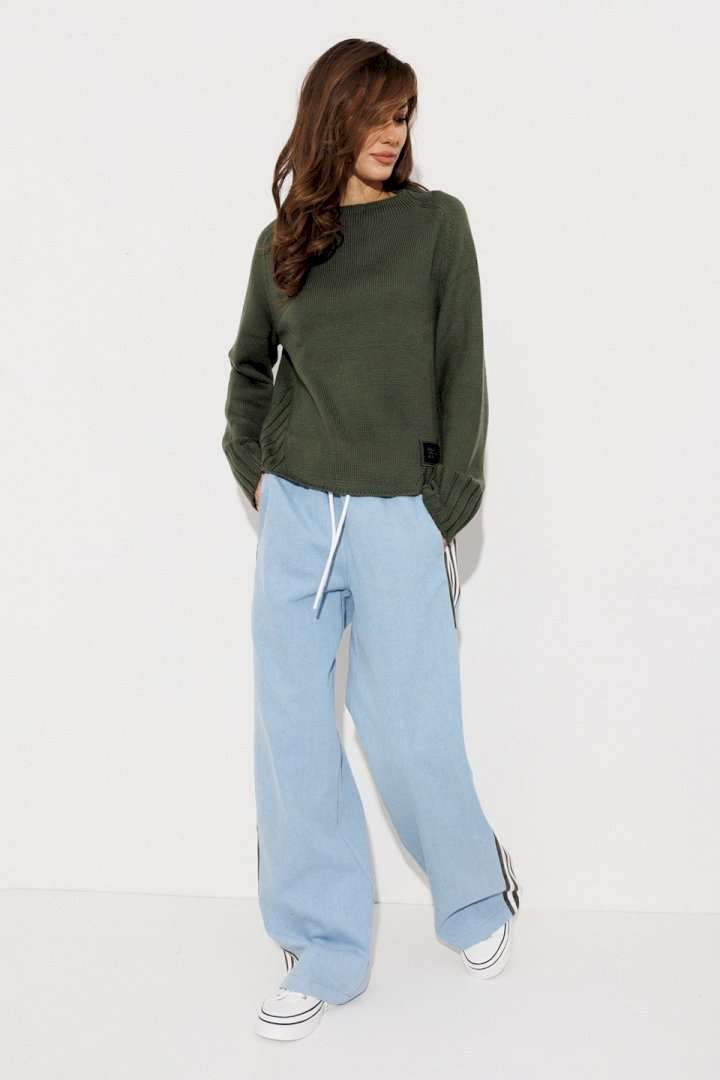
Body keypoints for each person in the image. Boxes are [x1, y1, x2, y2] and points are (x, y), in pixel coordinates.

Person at [221, 38, 521, 1042]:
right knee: (294, 737)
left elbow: (463, 366)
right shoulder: (284, 244)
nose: (393, 133)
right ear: (332, 117)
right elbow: (249, 370)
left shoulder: (436, 226)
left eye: (403, 115)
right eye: (376, 114)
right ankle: (322, 946)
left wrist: (444, 503)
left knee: (409, 730)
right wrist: (259, 468)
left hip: (399, 509)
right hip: (298, 518)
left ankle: (474, 891)